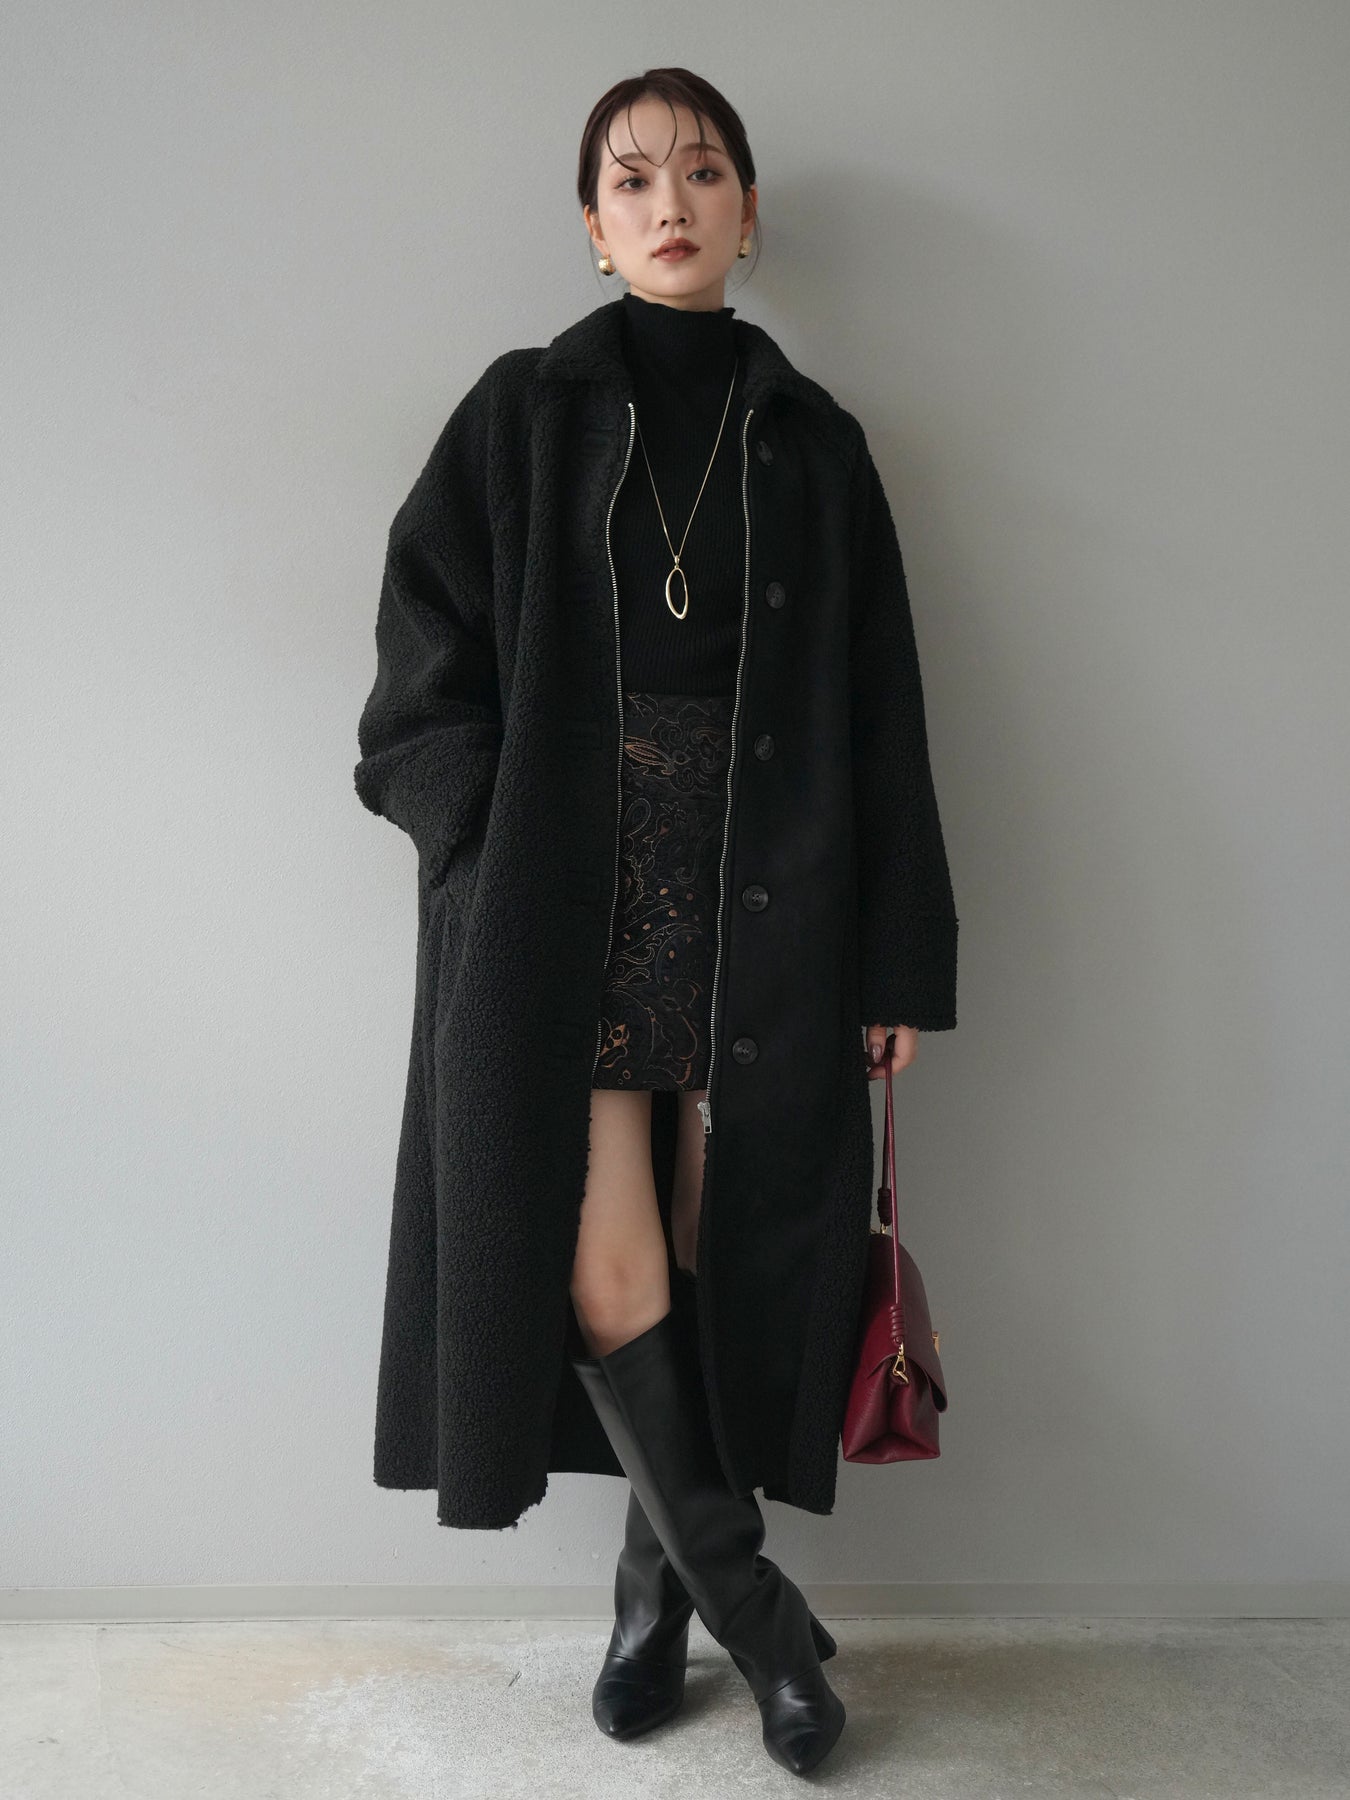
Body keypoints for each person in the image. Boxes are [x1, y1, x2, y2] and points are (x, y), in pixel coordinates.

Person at [354, 66, 958, 1781]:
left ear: (747, 214)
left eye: (700, 172)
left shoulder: (816, 444)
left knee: (715, 1258)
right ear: (593, 227)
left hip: (768, 896)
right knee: (602, 1265)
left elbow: (881, 718)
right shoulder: (520, 414)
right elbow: (416, 670)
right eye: (630, 180)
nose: (667, 202)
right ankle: (764, 1627)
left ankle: (652, 1603)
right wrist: (481, 837)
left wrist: (898, 958)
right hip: (562, 902)